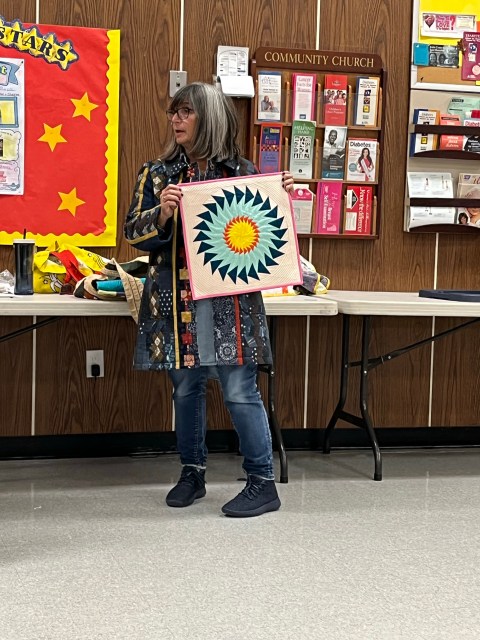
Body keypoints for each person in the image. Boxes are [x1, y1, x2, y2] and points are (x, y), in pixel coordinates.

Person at [124, 82, 294, 518]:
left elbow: (263, 233)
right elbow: (132, 233)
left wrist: (277, 195)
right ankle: (192, 472)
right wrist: (161, 213)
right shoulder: (156, 174)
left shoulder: (243, 173)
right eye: (173, 111)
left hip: (230, 303)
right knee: (185, 387)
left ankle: (262, 482)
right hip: (176, 300)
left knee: (239, 388)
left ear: (210, 118)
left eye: (186, 111)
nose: (175, 119)